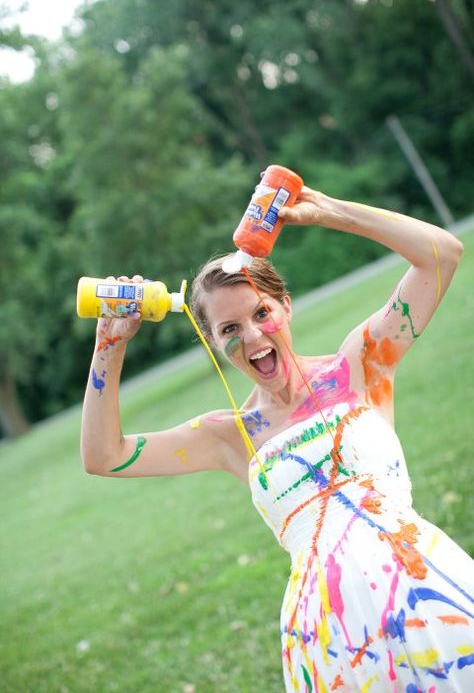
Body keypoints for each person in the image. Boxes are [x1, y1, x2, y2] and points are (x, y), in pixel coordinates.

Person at [81, 186, 474, 692]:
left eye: (261, 313)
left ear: (285, 306)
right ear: (214, 342)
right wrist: (109, 345)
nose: (252, 336)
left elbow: (442, 254)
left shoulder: (358, 366)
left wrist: (326, 211)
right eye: (229, 328)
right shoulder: (227, 435)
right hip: (331, 639)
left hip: (426, 591)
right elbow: (103, 456)